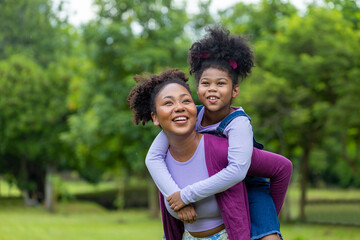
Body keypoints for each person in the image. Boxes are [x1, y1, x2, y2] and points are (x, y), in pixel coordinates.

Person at [144, 26, 292, 240]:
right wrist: (173, 195)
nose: (212, 88)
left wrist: (266, 218)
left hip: (249, 184)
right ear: (198, 88)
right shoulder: (190, 116)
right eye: (205, 83)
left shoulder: (238, 124)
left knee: (268, 237)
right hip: (216, 191)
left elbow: (238, 171)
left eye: (220, 83)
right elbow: (153, 157)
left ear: (235, 91)